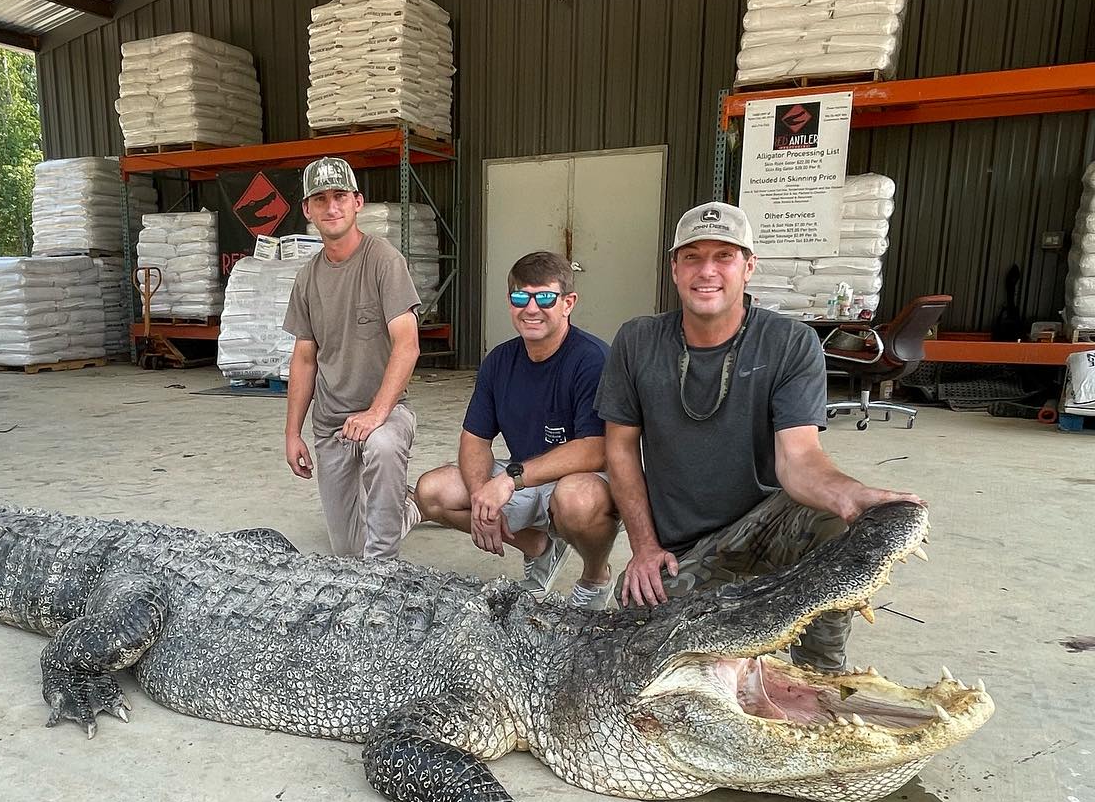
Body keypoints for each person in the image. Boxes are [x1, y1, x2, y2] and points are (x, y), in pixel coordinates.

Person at [596, 201, 919, 671]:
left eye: (723, 256)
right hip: (686, 549)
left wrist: (850, 496)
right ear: (674, 268)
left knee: (829, 524)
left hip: (767, 527)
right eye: (692, 256)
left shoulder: (789, 343)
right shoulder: (637, 340)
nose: (707, 271)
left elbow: (800, 457)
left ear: (748, 267)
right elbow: (621, 450)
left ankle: (818, 677)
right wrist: (644, 547)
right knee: (631, 653)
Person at [411, 251, 619, 609]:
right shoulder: (500, 361)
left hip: (583, 479)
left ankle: (595, 576)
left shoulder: (593, 360)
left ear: (568, 303)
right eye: (521, 297)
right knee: (432, 492)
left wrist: (509, 481)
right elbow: (475, 439)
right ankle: (537, 546)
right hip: (523, 476)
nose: (531, 308)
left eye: (545, 298)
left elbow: (596, 448)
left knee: (576, 501)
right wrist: (481, 498)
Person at [283, 156, 422, 559]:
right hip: (332, 425)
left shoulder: (384, 262)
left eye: (340, 196)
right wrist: (293, 433)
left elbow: (407, 344)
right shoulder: (307, 278)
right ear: (307, 209)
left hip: (386, 413)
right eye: (320, 199)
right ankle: (406, 509)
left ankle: (383, 572)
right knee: (346, 550)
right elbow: (305, 359)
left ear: (357, 202)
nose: (332, 207)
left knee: (381, 446)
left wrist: (378, 413)